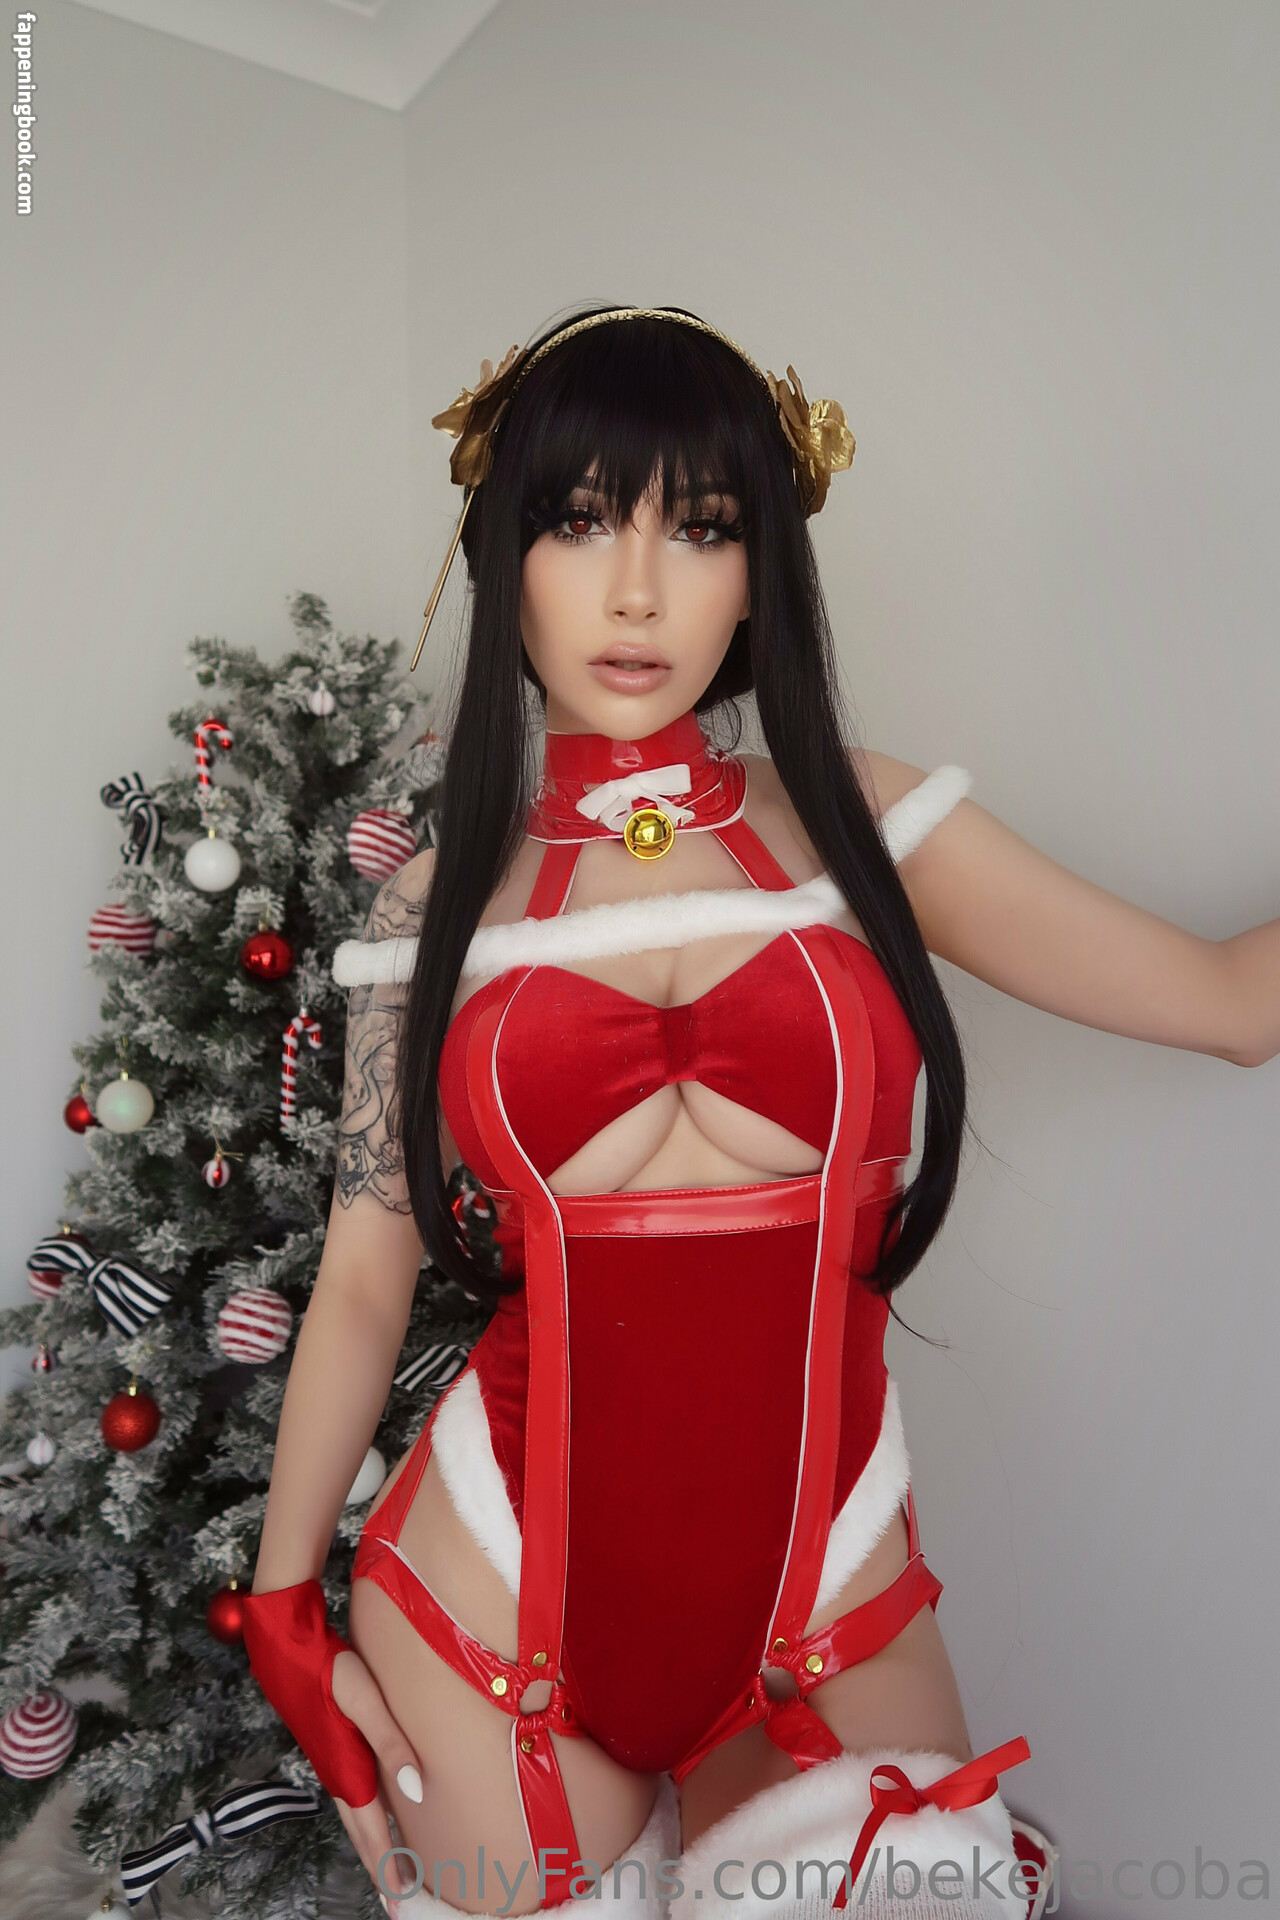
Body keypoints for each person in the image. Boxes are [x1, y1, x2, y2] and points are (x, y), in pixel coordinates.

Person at [240, 307, 1269, 1920]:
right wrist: (282, 1599)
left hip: (826, 1598)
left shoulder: (866, 827)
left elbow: (1231, 1005)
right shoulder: (430, 912)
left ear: (760, 569)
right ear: (506, 553)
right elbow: (367, 1278)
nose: (637, 591)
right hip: (485, 1609)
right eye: (583, 521)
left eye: (702, 528)